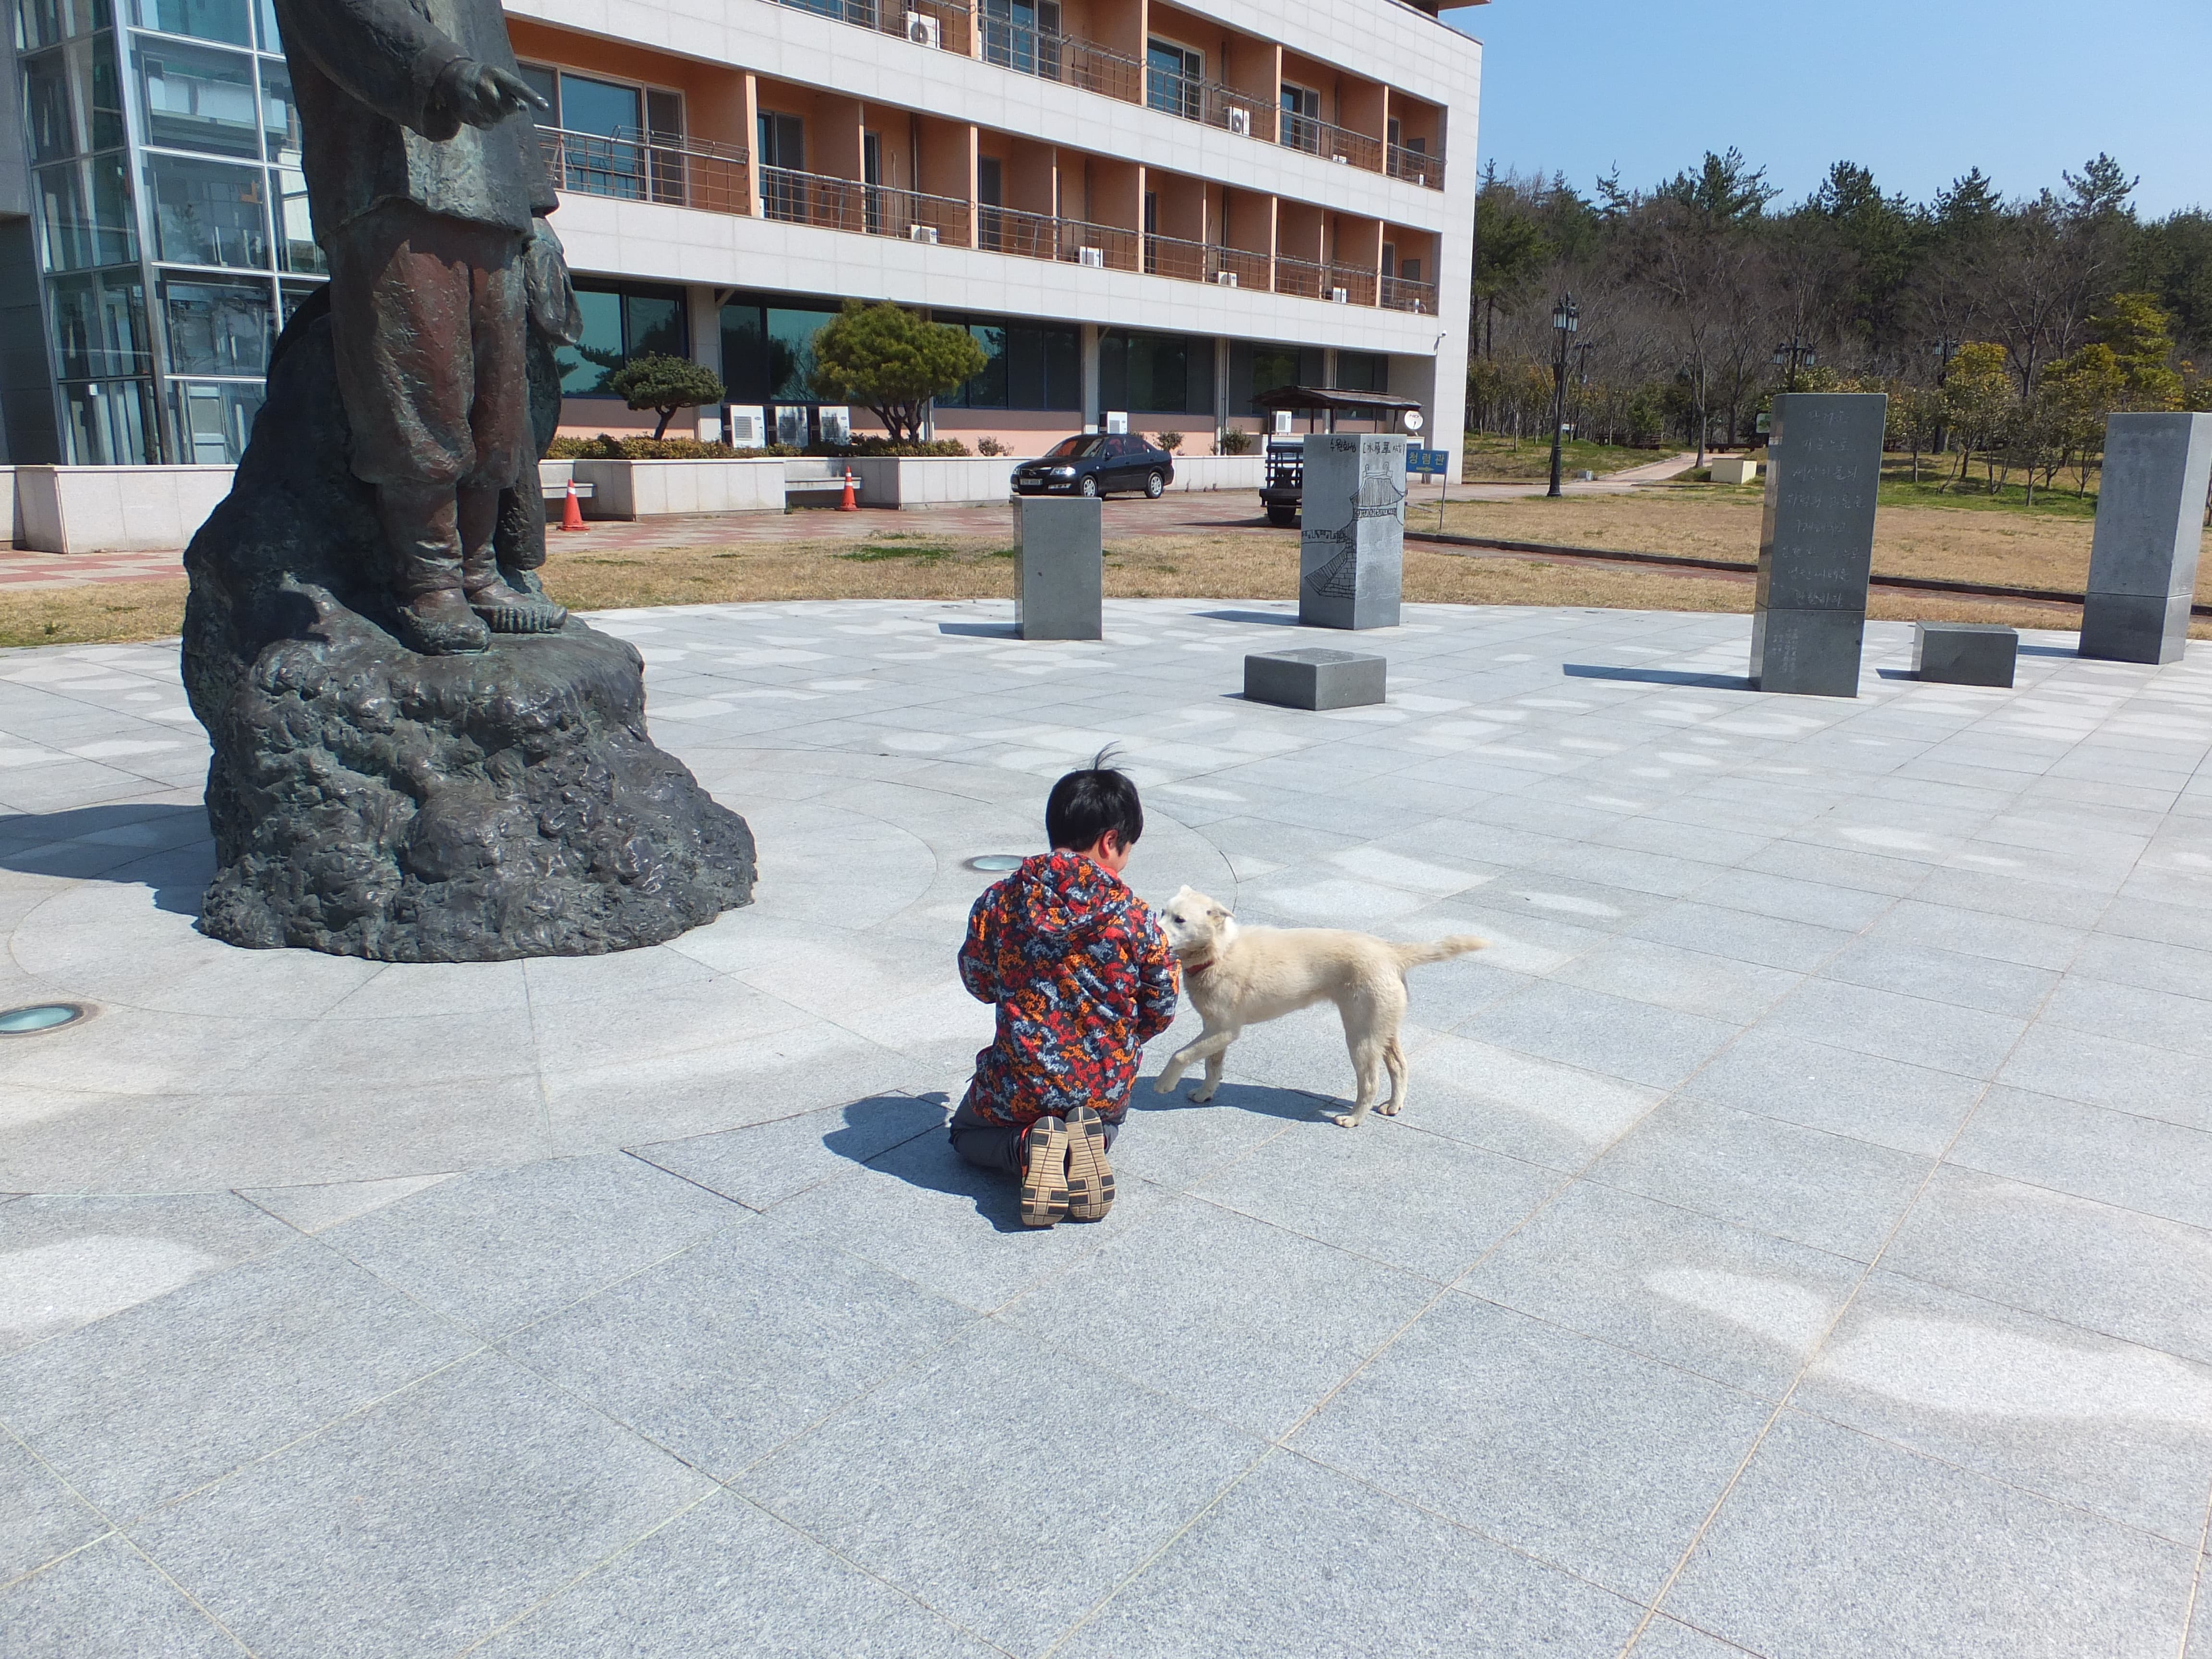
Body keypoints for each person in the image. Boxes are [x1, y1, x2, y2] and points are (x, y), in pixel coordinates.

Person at [273, 0, 573, 654]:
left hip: (490, 203)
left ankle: (480, 572)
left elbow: (499, 65)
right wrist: (442, 72)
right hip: (387, 186)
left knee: (497, 414)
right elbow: (344, 18)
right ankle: (429, 580)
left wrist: (534, 211)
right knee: (418, 403)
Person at [950, 754, 1180, 1227]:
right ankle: (1088, 1146)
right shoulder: (1137, 920)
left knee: (965, 1133)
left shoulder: (1000, 901)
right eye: (1128, 846)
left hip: (1021, 1083)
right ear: (1110, 841)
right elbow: (1160, 1009)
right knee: (1106, 1117)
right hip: (1102, 1086)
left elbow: (979, 982)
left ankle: (1028, 1148)